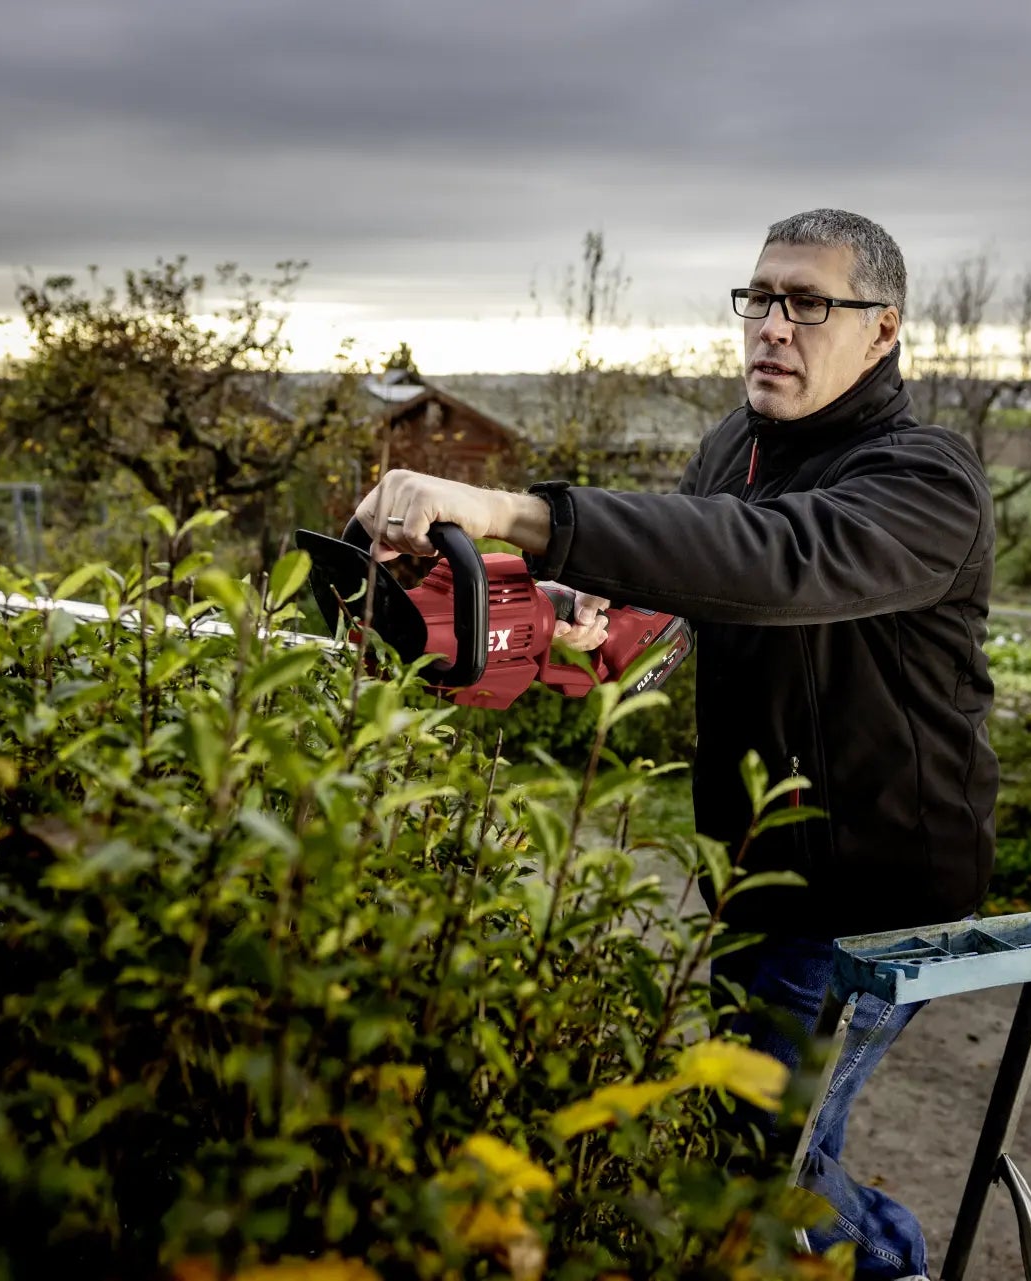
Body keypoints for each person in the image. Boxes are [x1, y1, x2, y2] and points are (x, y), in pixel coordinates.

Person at [353, 209, 995, 1279]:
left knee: (761, 1162)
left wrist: (517, 511)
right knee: (756, 1148)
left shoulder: (925, 481)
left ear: (883, 331)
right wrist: (573, 607)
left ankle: (898, 1267)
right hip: (754, 874)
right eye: (760, 298)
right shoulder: (732, 450)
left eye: (808, 304)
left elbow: (775, 560)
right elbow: (684, 599)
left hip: (879, 894)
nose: (773, 327)